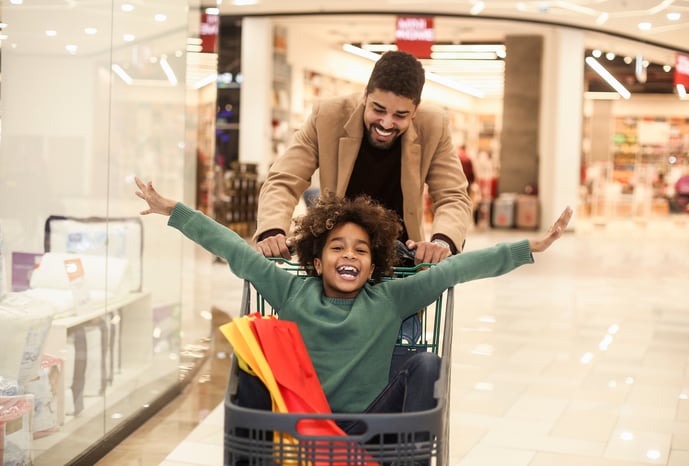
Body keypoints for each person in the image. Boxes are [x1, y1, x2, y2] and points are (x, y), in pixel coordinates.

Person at [135, 178, 572, 428]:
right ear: (317, 259)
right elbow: (236, 250)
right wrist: (174, 211)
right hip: (298, 427)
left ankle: (412, 452)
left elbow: (457, 270)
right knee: (249, 355)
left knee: (426, 365)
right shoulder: (291, 290)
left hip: (369, 430)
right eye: (337, 248)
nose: (348, 256)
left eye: (361, 250)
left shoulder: (389, 297)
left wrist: (529, 247)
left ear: (375, 262)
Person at [253, 50, 472, 266]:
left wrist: (442, 241)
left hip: (402, 259)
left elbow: (452, 196)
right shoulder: (328, 116)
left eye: (400, 115)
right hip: (337, 257)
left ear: (415, 110)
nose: (386, 124)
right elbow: (284, 179)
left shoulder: (434, 126)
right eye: (378, 109)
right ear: (365, 95)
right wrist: (272, 230)